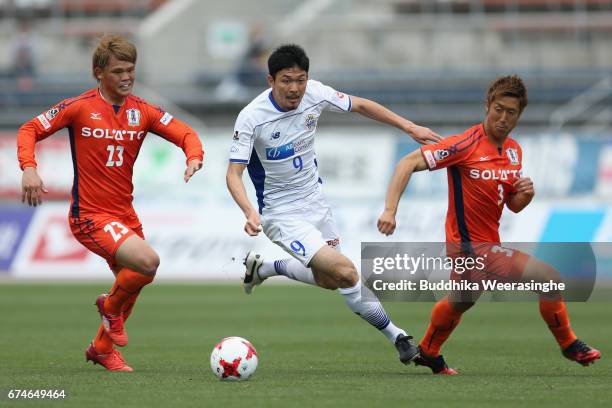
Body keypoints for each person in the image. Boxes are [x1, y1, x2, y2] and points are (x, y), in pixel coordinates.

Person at [226, 44, 442, 366]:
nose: (295, 88)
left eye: (300, 79)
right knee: (346, 272)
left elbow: (361, 106)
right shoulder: (252, 118)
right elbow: (233, 174)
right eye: (286, 80)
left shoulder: (315, 93)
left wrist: (408, 126)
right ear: (270, 80)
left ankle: (264, 268)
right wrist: (248, 210)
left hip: (317, 204)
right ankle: (399, 337)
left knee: (331, 280)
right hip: (281, 214)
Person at [377, 75, 601, 374]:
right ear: (487, 106)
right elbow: (407, 163)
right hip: (469, 247)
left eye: (511, 112)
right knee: (548, 278)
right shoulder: (464, 144)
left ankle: (429, 351)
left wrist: (526, 195)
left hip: (487, 242)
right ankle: (570, 344)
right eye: (499, 109)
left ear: (519, 115)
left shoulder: (513, 151)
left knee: (461, 301)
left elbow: (513, 205)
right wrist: (390, 211)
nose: (503, 118)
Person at [17, 34, 204, 372]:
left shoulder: (143, 112)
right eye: (118, 71)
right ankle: (108, 306)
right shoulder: (79, 107)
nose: (126, 77)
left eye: (130, 70)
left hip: (124, 215)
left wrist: (193, 156)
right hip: (89, 216)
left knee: (134, 283)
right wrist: (30, 170)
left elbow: (186, 133)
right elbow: (30, 129)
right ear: (98, 72)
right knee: (148, 262)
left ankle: (102, 348)